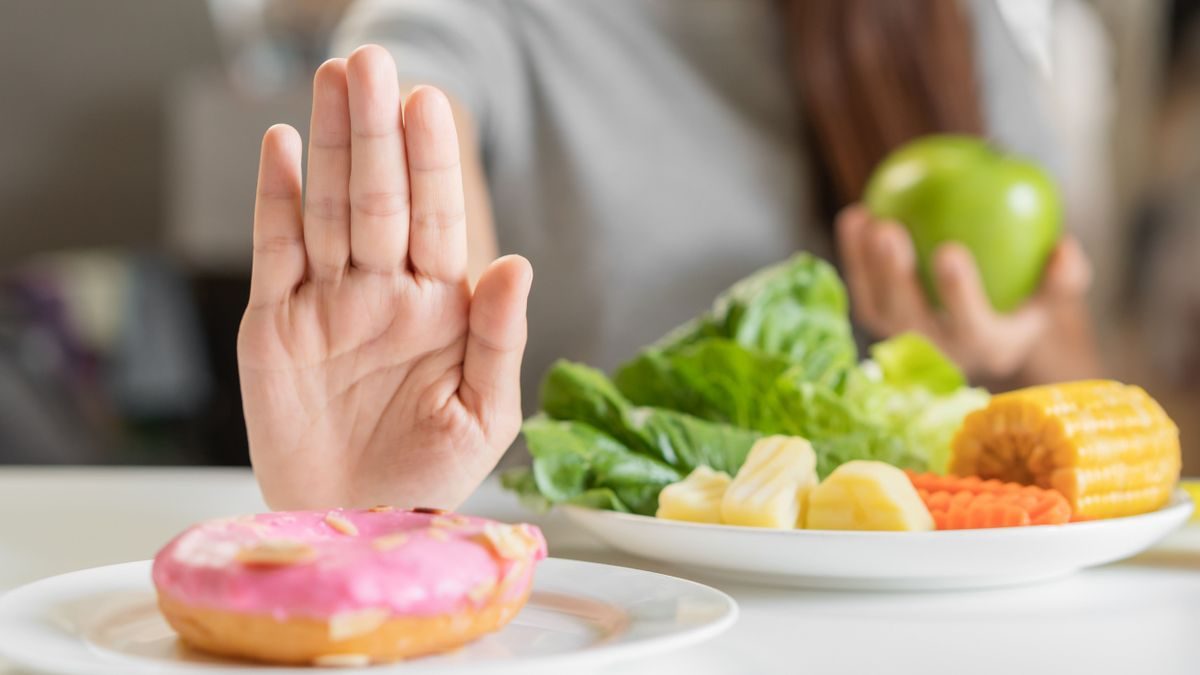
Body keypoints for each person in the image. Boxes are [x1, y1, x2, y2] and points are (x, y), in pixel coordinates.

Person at [241, 1, 1106, 510]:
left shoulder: (947, 25)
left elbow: (1074, 364)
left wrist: (1015, 346)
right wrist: (384, 482)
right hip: (614, 611)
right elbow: (406, 86)